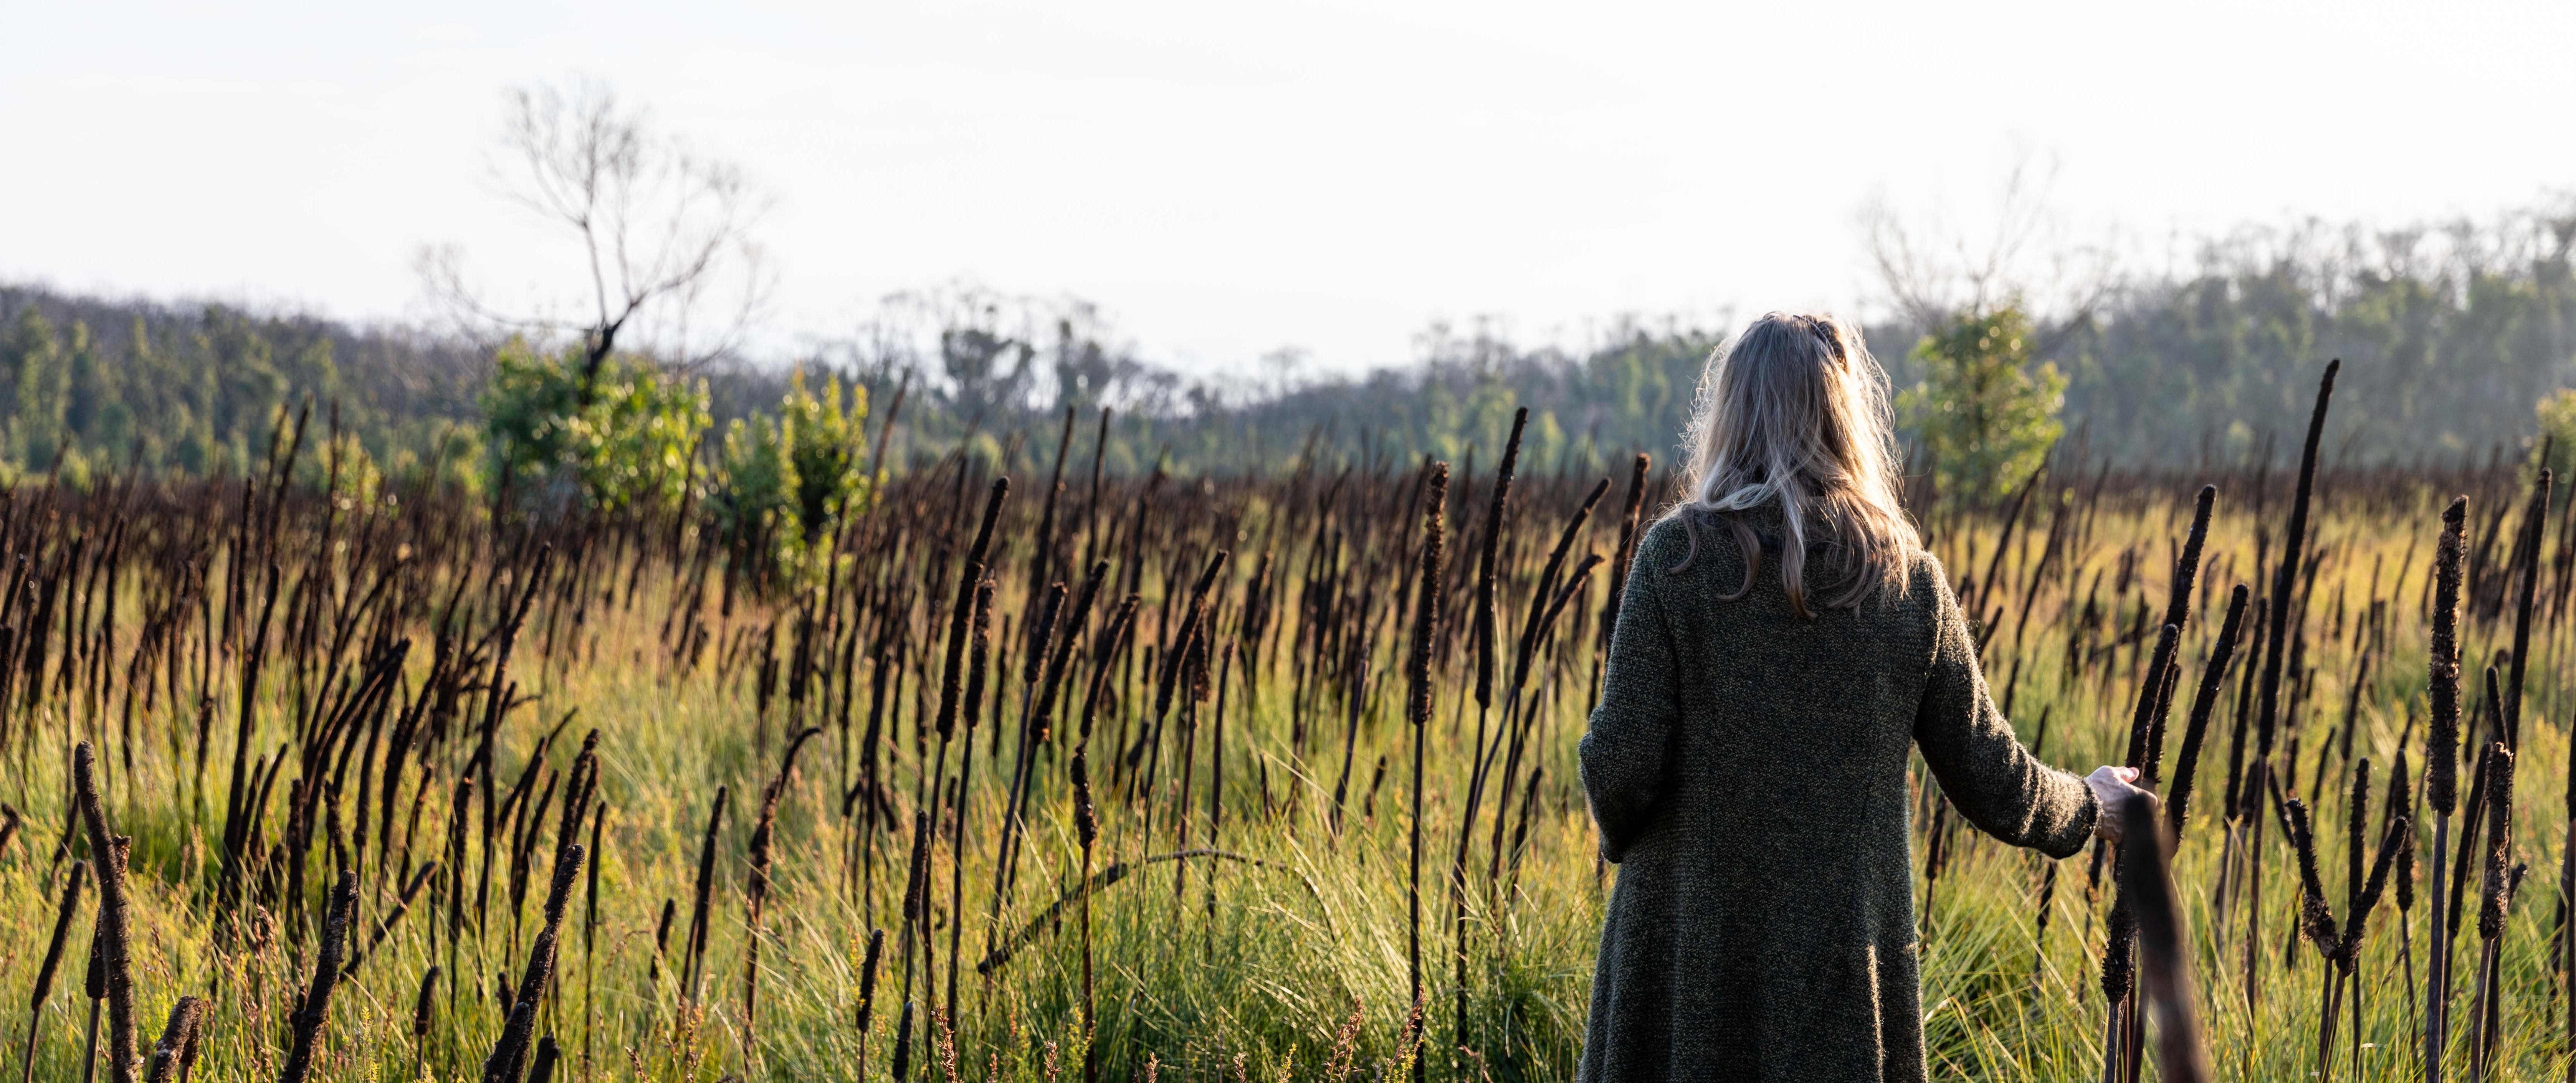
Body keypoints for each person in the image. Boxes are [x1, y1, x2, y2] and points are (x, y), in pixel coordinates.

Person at [1576, 311, 2148, 1082]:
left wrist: (1630, 838)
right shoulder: (1906, 582)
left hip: (1683, 961)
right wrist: (2089, 802)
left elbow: (1621, 764)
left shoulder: (1675, 560)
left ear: (1731, 414)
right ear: (1845, 416)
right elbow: (1992, 777)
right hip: (1842, 979)